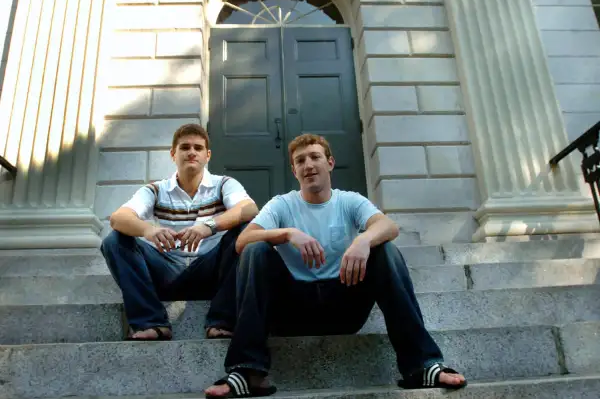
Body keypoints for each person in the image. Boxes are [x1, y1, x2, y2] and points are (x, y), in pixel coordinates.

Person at [204, 134, 467, 398]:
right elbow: (243, 241)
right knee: (255, 250)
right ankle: (248, 372)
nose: (308, 165)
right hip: (291, 311)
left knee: (385, 250)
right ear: (294, 171)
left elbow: (389, 226)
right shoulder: (282, 205)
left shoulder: (349, 201)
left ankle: (421, 365)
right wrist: (287, 234)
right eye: (300, 160)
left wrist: (363, 240)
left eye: (315, 157)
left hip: (344, 306)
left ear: (330, 163)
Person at [101, 123, 258, 341]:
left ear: (207, 155)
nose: (192, 152)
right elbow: (118, 218)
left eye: (198, 148)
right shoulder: (156, 190)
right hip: (167, 271)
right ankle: (151, 322)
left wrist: (209, 226)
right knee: (115, 240)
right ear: (173, 154)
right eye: (185, 147)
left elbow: (249, 209)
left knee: (243, 232)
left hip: (211, 271)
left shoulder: (223, 184)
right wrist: (148, 230)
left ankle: (222, 320)